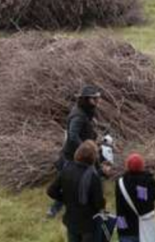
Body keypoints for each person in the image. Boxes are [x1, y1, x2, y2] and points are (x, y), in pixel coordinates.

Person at [49, 85, 108, 218]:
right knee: (66, 184)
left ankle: (95, 207)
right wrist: (87, 148)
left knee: (96, 178)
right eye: (95, 99)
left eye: (98, 98)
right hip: (74, 156)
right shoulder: (78, 116)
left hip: (86, 152)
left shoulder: (87, 111)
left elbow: (86, 128)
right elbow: (73, 135)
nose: (98, 101)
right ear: (87, 99)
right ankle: (53, 210)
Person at [47, 140, 106, 242]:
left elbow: (51, 191)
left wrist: (65, 199)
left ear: (77, 153)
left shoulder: (66, 169)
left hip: (71, 221)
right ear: (93, 157)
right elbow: (99, 204)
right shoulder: (93, 176)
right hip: (89, 224)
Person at [115, 153, 155, 242]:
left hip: (126, 228)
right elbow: (153, 197)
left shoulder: (120, 182)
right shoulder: (148, 180)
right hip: (146, 225)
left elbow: (119, 206)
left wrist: (121, 229)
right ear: (142, 165)